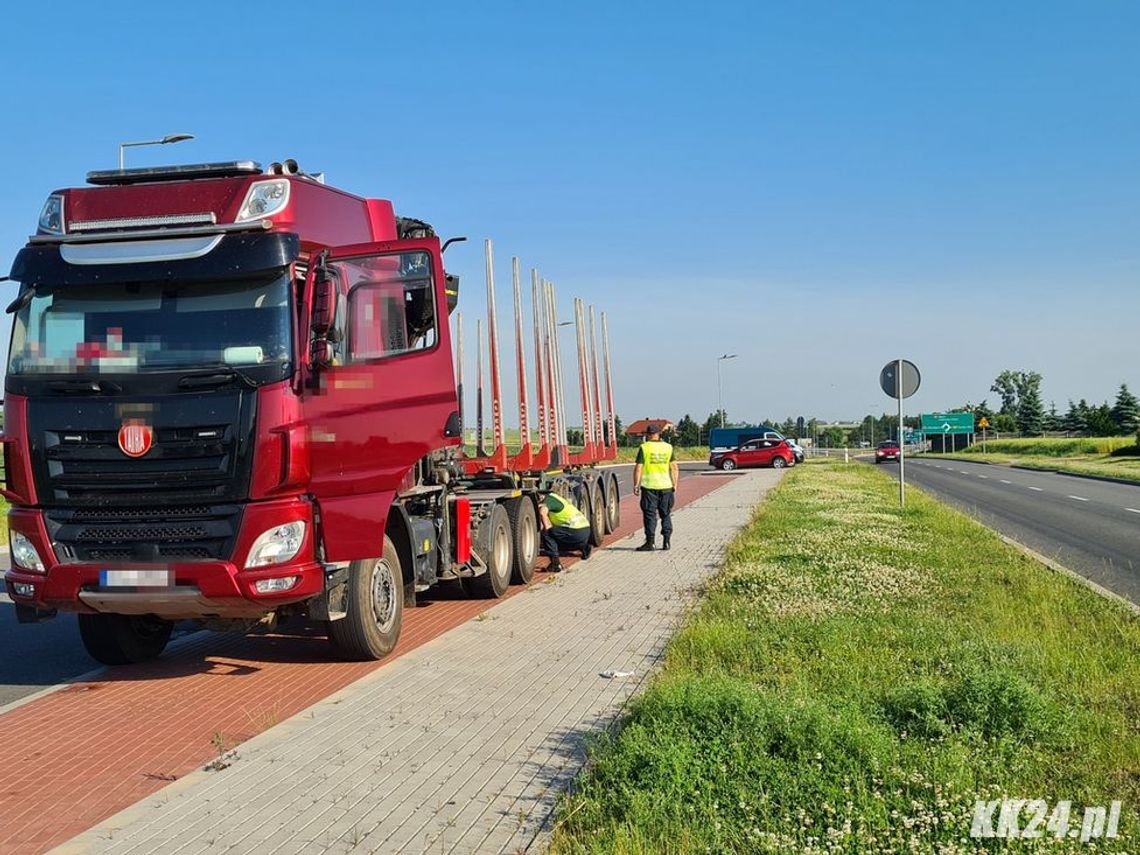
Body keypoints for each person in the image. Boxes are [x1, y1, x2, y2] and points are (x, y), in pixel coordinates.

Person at [633, 424, 679, 551]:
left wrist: (636, 485)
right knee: (666, 514)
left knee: (650, 515)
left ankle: (650, 542)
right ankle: (667, 542)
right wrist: (674, 484)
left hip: (649, 488)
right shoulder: (668, 447)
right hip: (666, 487)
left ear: (648, 435)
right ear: (659, 434)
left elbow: (638, 468)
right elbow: (674, 467)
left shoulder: (644, 447)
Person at [537, 491, 593, 572]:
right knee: (558, 538)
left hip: (575, 531)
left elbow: (542, 513)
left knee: (547, 534)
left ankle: (555, 564)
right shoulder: (557, 498)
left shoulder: (549, 499)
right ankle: (585, 547)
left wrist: (547, 529)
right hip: (585, 530)